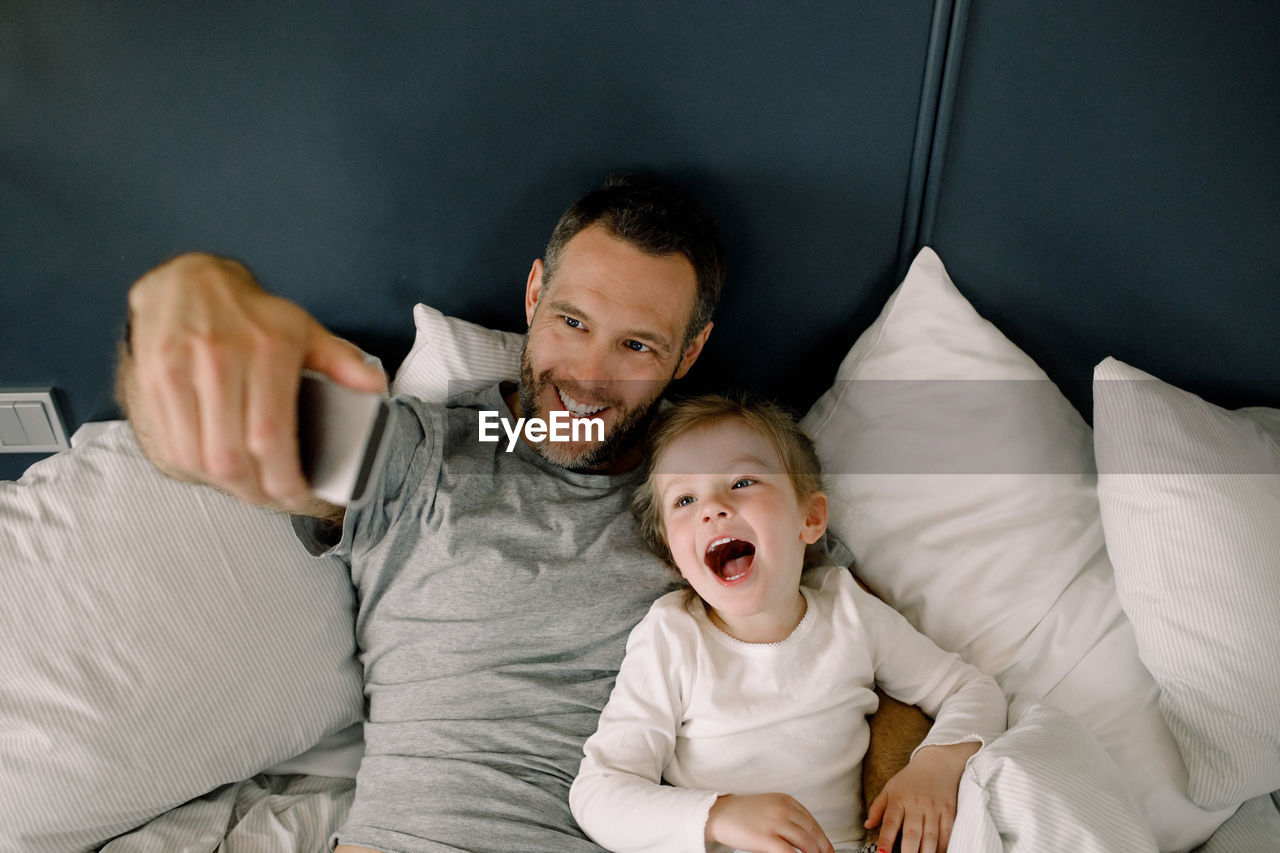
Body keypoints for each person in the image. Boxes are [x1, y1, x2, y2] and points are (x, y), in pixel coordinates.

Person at [117, 174, 931, 852]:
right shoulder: (422, 454)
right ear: (536, 292)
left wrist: (895, 803)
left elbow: (871, 657)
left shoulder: (723, 497)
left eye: (637, 346)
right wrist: (181, 308)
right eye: (573, 321)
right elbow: (209, 430)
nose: (587, 374)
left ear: (688, 353)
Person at [570, 395, 1007, 853]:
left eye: (742, 482)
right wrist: (717, 815)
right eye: (684, 498)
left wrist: (935, 767)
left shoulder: (850, 614)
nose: (713, 507)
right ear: (674, 556)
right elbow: (599, 792)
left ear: (810, 518)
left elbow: (972, 691)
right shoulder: (674, 638)